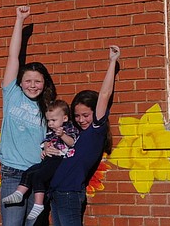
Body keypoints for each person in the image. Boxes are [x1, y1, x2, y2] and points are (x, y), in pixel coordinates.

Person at [46, 45, 120, 226]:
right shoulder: (75, 133)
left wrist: (112, 62)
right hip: (55, 191)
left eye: (85, 115)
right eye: (77, 116)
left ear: (96, 113)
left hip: (69, 193)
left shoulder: (96, 130)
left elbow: (104, 94)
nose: (81, 120)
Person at [0, 5, 54, 226]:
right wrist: (20, 20)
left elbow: (54, 135)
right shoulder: (11, 94)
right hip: (13, 172)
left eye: (38, 81)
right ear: (20, 82)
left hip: (38, 175)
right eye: (28, 81)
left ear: (44, 83)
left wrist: (50, 147)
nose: (33, 85)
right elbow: (13, 56)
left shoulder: (47, 107)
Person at [1, 99, 80, 221]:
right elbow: (46, 143)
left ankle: (38, 204)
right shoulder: (52, 131)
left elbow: (72, 142)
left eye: (53, 120)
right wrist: (45, 149)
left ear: (64, 118)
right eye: (48, 121)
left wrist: (62, 135)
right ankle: (19, 193)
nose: (50, 123)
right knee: (29, 171)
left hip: (59, 160)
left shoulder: (69, 128)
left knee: (38, 176)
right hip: (49, 159)